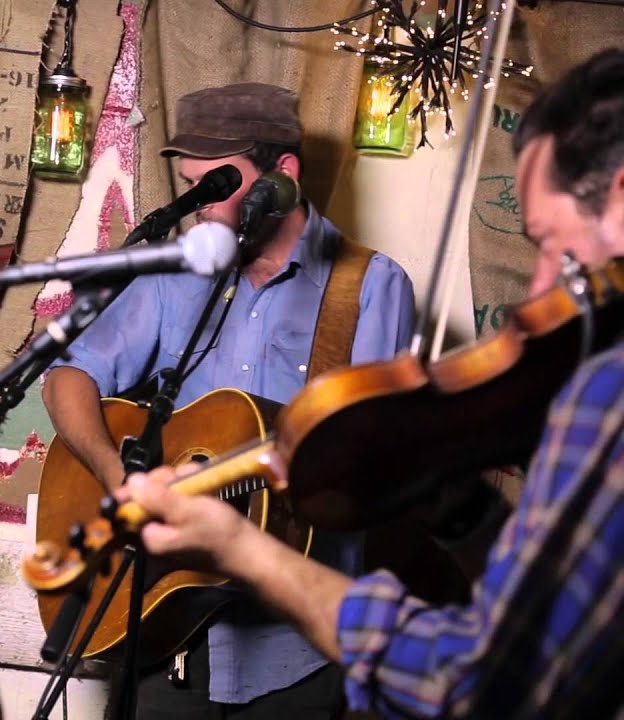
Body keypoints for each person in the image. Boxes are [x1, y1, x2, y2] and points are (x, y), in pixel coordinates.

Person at [117, 48, 624, 719]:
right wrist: (465, 514)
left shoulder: (604, 386)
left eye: (553, 245)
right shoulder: (172, 277)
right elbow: (557, 610)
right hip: (175, 640)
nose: (537, 293)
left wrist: (244, 552)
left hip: (291, 654)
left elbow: (478, 684)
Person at [41, 82, 416, 718]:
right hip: (163, 628)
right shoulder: (173, 273)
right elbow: (68, 377)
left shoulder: (370, 286)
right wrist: (118, 478)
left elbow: (377, 464)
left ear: (284, 178)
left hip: (297, 650)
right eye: (191, 187)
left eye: (217, 187)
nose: (200, 210)